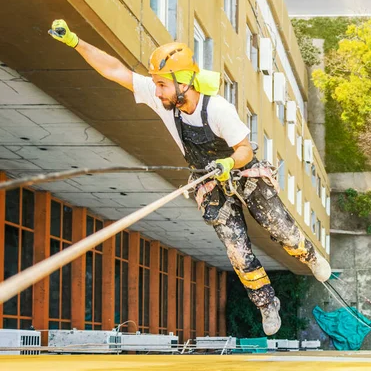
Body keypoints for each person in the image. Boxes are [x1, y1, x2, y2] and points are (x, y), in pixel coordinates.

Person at [48, 20, 331, 335]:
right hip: (209, 183)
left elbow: (244, 150)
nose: (156, 91)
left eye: (162, 85)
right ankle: (266, 303)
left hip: (243, 174)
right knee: (237, 250)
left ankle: (308, 255)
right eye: (155, 84)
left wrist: (228, 163)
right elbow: (115, 71)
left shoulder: (218, 110)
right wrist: (76, 42)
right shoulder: (164, 101)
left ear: (183, 82)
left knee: (281, 229)